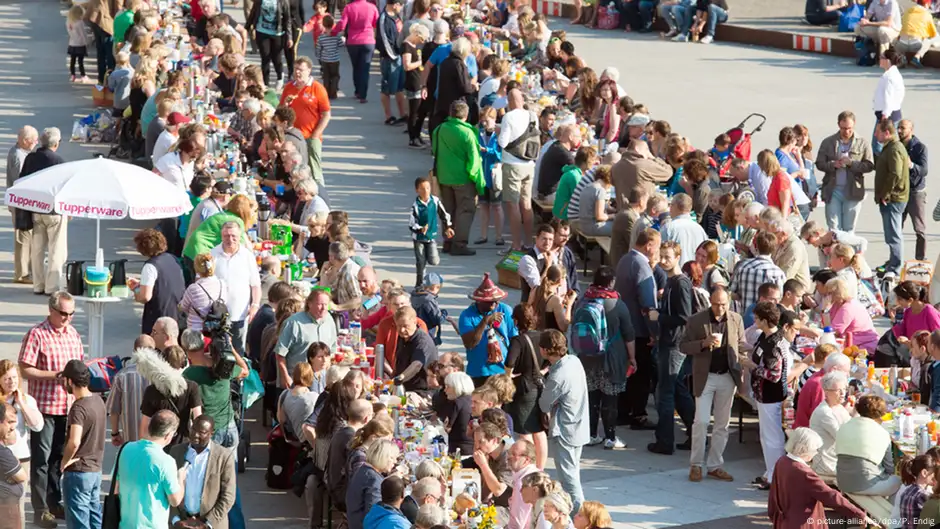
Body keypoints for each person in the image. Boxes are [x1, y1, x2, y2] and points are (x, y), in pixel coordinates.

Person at [18, 291, 83, 527]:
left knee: (58, 459)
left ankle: (54, 503)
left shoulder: (73, 335)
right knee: (41, 461)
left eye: (71, 314)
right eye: (63, 313)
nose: (67, 318)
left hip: (66, 407)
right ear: (52, 310)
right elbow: (25, 369)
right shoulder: (37, 334)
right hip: (44, 408)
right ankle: (41, 509)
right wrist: (55, 376)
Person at [681, 287, 744, 482]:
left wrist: (745, 358)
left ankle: (715, 465)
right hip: (705, 377)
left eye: (723, 304)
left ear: (729, 302)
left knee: (722, 424)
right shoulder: (697, 320)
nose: (720, 308)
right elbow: (683, 346)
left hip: (727, 376)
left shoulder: (736, 319)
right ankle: (696, 464)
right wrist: (703, 343)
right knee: (700, 421)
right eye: (716, 304)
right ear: (710, 302)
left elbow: (741, 344)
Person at [578, 266, 635, 450]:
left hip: (587, 357)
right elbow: (629, 334)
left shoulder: (584, 299)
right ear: (611, 282)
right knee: (610, 399)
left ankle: (592, 434)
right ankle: (610, 437)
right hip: (612, 358)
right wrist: (632, 358)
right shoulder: (617, 304)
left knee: (592, 397)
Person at [741, 304, 796, 490]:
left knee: (772, 438)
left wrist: (750, 365)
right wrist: (749, 350)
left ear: (765, 320)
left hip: (770, 396)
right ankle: (771, 472)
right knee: (767, 436)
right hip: (764, 395)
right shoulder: (767, 338)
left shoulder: (774, 344)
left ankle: (776, 477)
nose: (754, 321)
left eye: (757, 318)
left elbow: (774, 374)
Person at [768, 427, 866, 529]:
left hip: (783, 521)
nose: (816, 453)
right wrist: (859, 514)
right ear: (805, 449)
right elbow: (831, 496)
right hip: (803, 523)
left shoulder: (782, 461)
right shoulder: (804, 472)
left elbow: (773, 495)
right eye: (815, 450)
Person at [649, 243, 695, 455]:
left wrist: (660, 317)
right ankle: (696, 433)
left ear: (678, 257)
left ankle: (665, 441)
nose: (664, 260)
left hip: (674, 343)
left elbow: (684, 316)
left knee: (666, 393)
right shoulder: (671, 281)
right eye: (662, 256)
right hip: (670, 341)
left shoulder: (680, 283)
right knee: (676, 390)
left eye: (668, 257)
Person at [538, 329, 589, 514]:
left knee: (569, 480)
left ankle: (581, 516)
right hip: (580, 427)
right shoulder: (574, 361)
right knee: (573, 473)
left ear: (544, 350)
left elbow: (544, 404)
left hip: (565, 432)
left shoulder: (558, 376)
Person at [615, 228, 660, 430]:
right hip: (639, 330)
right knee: (641, 374)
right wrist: (654, 331)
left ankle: (623, 412)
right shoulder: (641, 265)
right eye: (657, 247)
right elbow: (648, 303)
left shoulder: (625, 259)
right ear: (649, 245)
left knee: (627, 371)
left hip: (623, 325)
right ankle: (639, 415)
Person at [115, 410, 187, 529]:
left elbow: (116, 487)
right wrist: (181, 479)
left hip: (125, 524)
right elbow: (175, 501)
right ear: (168, 435)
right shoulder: (166, 461)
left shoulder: (126, 449)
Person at [431, 100, 484, 256]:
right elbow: (474, 160)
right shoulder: (467, 133)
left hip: (444, 176)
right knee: (465, 211)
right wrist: (476, 179)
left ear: (450, 113)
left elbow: (435, 150)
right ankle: (459, 244)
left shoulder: (440, 129)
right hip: (463, 178)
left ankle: (447, 241)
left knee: (448, 211)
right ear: (466, 116)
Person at [181, 329, 248, 449]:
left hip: (208, 431)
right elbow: (245, 371)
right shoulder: (222, 366)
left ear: (186, 350)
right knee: (230, 466)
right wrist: (230, 347)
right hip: (229, 426)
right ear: (203, 344)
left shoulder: (188, 375)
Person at [167, 414, 237, 529]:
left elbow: (228, 496)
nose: (195, 435)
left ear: (211, 433)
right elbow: (167, 489)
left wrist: (207, 523)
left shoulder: (224, 456)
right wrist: (176, 520)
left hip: (212, 524)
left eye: (202, 432)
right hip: (181, 524)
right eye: (193, 429)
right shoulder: (176, 452)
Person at [58, 360, 105, 529]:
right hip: (95, 471)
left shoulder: (78, 408)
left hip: (78, 472)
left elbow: (74, 441)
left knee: (79, 522)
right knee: (94, 519)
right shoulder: (98, 401)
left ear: (70, 381)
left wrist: (64, 462)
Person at [20, 128, 66, 296]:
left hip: (35, 208)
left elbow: (22, 180)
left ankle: (38, 284)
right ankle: (51, 286)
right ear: (56, 143)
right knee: (56, 248)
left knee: (37, 248)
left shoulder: (30, 158)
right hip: (53, 210)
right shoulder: (59, 161)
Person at [816, 111, 875, 233]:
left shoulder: (863, 143)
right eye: (843, 128)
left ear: (854, 125)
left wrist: (852, 163)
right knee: (833, 228)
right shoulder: (828, 142)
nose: (846, 131)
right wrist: (833, 165)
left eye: (849, 128)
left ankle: (847, 252)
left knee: (849, 228)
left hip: (853, 191)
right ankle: (834, 251)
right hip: (833, 190)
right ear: (838, 124)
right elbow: (819, 163)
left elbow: (869, 166)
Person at [504, 305, 547, 469]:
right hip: (539, 386)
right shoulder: (542, 336)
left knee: (525, 431)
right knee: (539, 431)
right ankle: (540, 468)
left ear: (516, 320)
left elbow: (509, 363)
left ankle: (528, 467)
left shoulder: (518, 340)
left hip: (523, 389)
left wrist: (508, 375)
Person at [211, 222, 262, 354]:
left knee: (239, 351)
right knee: (220, 351)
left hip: (240, 313)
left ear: (240, 237)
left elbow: (255, 284)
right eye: (226, 236)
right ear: (221, 236)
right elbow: (202, 280)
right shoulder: (212, 255)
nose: (230, 239)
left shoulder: (247, 256)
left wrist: (255, 305)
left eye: (233, 236)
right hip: (218, 314)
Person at [279, 57, 331, 186]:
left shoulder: (317, 88)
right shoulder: (289, 87)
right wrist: (286, 103)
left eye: (301, 70)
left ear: (309, 71)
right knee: (294, 170)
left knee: (314, 170)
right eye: (296, 69)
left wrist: (315, 135)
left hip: (310, 136)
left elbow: (326, 114)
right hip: (293, 137)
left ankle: (320, 196)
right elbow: (280, 113)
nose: (297, 73)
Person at [836, 395, 902, 495]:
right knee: (899, 481)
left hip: (843, 481)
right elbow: (889, 467)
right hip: (867, 484)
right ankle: (890, 510)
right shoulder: (882, 433)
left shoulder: (845, 425)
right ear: (881, 414)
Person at [459, 274, 517, 387]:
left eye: (497, 300)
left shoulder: (505, 310)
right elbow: (470, 343)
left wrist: (512, 367)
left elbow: (514, 339)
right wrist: (485, 321)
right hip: (479, 373)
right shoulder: (466, 316)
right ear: (479, 301)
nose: (496, 304)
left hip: (502, 371)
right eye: (491, 301)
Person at [137, 345, 204, 443]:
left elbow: (144, 425)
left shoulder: (152, 389)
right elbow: (198, 417)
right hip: (182, 442)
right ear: (183, 363)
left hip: (158, 443)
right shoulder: (191, 386)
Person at [500, 89, 539, 252]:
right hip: (529, 164)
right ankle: (529, 242)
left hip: (512, 165)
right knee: (526, 203)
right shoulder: (532, 115)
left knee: (513, 205)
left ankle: (516, 244)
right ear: (522, 100)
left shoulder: (508, 117)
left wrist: (496, 131)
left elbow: (503, 142)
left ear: (509, 101)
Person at [126, 228, 185, 335]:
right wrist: (142, 284)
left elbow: (145, 297)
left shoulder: (150, 266)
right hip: (177, 313)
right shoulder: (172, 258)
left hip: (158, 315)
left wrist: (136, 290)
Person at [275, 289, 338, 387]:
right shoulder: (293, 323)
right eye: (320, 304)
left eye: (326, 304)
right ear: (309, 304)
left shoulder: (329, 320)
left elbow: (333, 349)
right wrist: (285, 376)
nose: (323, 308)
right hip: (297, 382)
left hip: (320, 382)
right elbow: (280, 354)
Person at [873, 118, 910, 276]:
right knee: (891, 233)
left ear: (887, 133)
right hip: (892, 197)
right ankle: (893, 262)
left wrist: (885, 194)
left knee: (893, 234)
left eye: (878, 132)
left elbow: (895, 173)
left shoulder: (894, 149)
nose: (875, 135)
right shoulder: (891, 147)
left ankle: (895, 266)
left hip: (893, 198)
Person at [326, 399, 373, 512]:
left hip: (334, 486)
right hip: (342, 494)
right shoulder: (352, 438)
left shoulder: (342, 432)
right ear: (366, 419)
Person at [6, 125, 37, 285]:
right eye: (34, 140)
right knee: (23, 238)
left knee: (26, 237)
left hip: (19, 201)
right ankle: (22, 273)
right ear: (25, 141)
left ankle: (25, 271)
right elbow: (20, 180)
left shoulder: (19, 152)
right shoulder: (19, 156)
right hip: (20, 202)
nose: (36, 143)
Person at [409, 176, 454, 288]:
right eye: (422, 189)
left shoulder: (435, 201)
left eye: (428, 188)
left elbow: (444, 214)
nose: (426, 191)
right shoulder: (415, 206)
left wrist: (448, 227)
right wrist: (420, 228)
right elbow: (412, 223)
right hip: (418, 238)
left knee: (434, 260)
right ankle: (419, 284)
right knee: (420, 262)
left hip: (431, 236)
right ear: (417, 190)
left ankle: (430, 258)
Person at [331, 0, 379, 103]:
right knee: (365, 68)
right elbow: (376, 24)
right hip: (368, 40)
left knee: (356, 67)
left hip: (353, 41)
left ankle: (357, 90)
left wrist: (333, 32)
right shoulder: (372, 7)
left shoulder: (349, 7)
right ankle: (363, 95)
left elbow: (342, 24)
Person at [347, 440, 400, 529]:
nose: (395, 462)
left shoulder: (364, 470)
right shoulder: (373, 479)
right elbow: (374, 515)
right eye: (392, 458)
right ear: (383, 457)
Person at [808, 371, 851, 477]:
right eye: (838, 390)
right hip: (828, 464)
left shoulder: (838, 407)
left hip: (838, 458)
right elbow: (842, 438)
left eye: (844, 389)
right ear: (826, 392)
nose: (842, 393)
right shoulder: (824, 412)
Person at [730, 232, 786, 310]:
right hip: (765, 318)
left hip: (744, 317)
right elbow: (779, 300)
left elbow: (731, 291)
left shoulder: (742, 267)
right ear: (774, 248)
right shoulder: (777, 273)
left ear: (756, 246)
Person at [794, 352, 851, 429]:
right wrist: (845, 410)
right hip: (810, 432)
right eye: (846, 372)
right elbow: (821, 417)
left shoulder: (819, 377)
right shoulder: (820, 384)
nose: (848, 375)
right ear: (833, 369)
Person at [897, 120, 928, 260]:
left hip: (916, 193)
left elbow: (924, 170)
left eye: (903, 128)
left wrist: (911, 165)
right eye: (898, 127)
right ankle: (895, 258)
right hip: (899, 192)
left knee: (919, 229)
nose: (899, 130)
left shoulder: (920, 148)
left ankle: (920, 260)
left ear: (911, 130)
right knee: (896, 228)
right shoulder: (896, 146)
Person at [827, 278, 880, 355]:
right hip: (855, 344)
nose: (825, 296)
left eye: (828, 293)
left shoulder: (847, 307)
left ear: (835, 293)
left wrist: (825, 310)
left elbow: (831, 331)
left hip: (862, 347)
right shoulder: (839, 304)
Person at [246, 0, 292, 88]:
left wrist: (289, 37)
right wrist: (247, 27)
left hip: (277, 33)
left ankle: (279, 77)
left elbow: (287, 19)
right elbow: (253, 12)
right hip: (262, 31)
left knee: (276, 58)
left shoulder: (283, 1)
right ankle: (265, 83)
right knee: (265, 57)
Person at [391, 307, 436, 392]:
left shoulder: (422, 341)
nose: (402, 330)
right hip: (403, 387)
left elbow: (416, 365)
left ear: (415, 322)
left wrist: (400, 378)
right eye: (399, 326)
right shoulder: (403, 336)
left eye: (405, 326)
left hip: (420, 390)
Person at [377, 0, 407, 125]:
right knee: (387, 88)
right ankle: (388, 116)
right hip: (390, 58)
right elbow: (384, 40)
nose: (402, 7)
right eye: (401, 4)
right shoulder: (384, 18)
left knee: (400, 88)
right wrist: (394, 55)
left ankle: (403, 114)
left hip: (399, 55)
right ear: (395, 4)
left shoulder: (396, 16)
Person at [472, 422, 513, 507]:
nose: (477, 446)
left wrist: (483, 465)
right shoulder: (490, 453)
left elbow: (498, 491)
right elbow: (487, 484)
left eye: (480, 442)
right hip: (495, 502)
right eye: (475, 442)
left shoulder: (509, 458)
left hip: (509, 507)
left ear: (495, 440)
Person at [0, 402, 26, 528]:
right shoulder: (2, 452)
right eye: (8, 422)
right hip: (5, 511)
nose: (12, 427)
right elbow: (21, 476)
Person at [609, 186, 649, 268]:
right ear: (641, 202)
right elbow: (634, 242)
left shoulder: (628, 212)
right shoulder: (629, 216)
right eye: (647, 201)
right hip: (622, 262)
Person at [536, 124, 578, 201]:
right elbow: (579, 168)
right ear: (571, 137)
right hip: (550, 195)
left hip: (545, 193)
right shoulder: (562, 152)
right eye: (578, 137)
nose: (580, 140)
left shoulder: (556, 145)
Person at [507, 439, 540, 529]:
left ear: (526, 460)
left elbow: (517, 524)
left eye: (514, 454)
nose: (509, 457)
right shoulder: (536, 473)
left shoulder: (523, 483)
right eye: (509, 453)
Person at [896, 0, 937, 68]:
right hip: (916, 45)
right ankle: (916, 57)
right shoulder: (927, 14)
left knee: (896, 39)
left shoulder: (907, 12)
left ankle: (902, 57)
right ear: (927, 4)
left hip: (901, 45)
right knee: (928, 40)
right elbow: (933, 34)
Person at [83, 0, 116, 84]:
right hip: (106, 20)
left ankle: (101, 79)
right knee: (110, 53)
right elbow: (118, 6)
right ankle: (110, 80)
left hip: (96, 16)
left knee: (101, 52)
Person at [442, 372, 475, 455]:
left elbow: (447, 428)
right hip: (471, 447)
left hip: (458, 448)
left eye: (448, 387)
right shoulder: (472, 401)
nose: (445, 390)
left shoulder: (456, 403)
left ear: (457, 387)